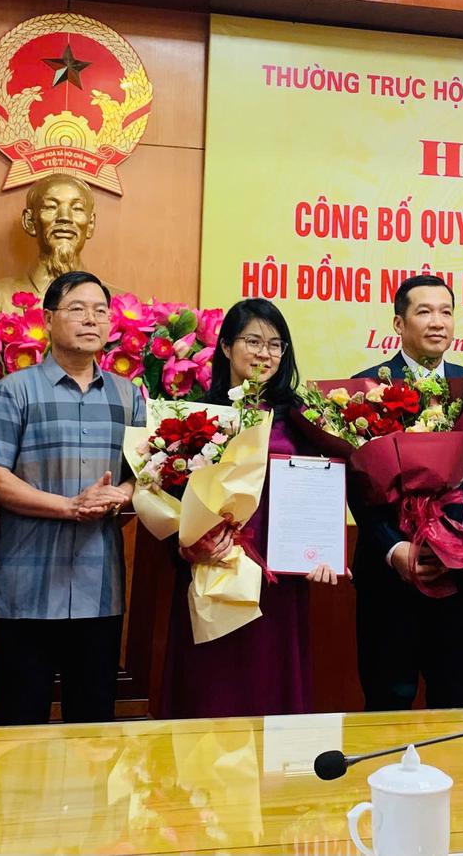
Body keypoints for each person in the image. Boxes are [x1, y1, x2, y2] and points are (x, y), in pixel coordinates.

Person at [160, 298, 345, 718]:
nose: (265, 353)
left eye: (275, 344)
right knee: (211, 694)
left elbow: (322, 489)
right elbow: (168, 498)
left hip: (277, 581)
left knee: (271, 692)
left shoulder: (301, 419)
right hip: (213, 571)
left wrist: (321, 552)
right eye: (253, 341)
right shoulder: (195, 416)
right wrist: (185, 546)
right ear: (226, 346)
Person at [0, 270, 140, 724]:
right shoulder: (12, 391)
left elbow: (143, 475)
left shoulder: (129, 397)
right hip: (26, 588)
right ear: (48, 319)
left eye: (100, 311)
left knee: (92, 727)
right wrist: (69, 507)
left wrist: (119, 494)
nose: (91, 319)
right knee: (18, 726)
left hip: (99, 588)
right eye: (77, 309)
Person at [351, 273, 463, 711]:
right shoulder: (366, 387)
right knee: (386, 706)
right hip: (389, 579)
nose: (438, 322)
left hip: (458, 577)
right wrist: (395, 549)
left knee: (454, 704)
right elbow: (357, 485)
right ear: (398, 324)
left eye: (446, 312)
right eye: (424, 312)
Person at [0, 173, 101, 315]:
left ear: (91, 224)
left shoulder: (115, 304)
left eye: (77, 208)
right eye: (51, 207)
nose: (65, 217)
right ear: (29, 221)